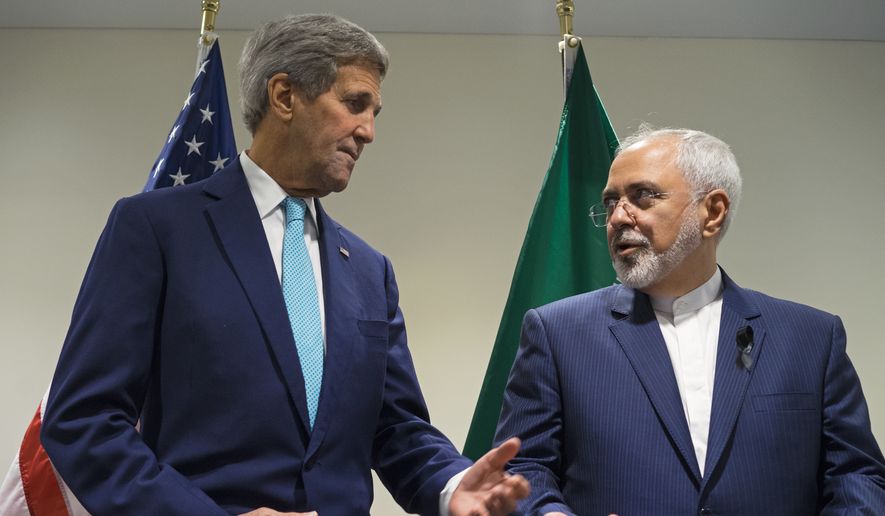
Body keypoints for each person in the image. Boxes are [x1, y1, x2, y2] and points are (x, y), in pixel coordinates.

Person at [40, 13, 527, 515]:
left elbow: (397, 428)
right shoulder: (157, 229)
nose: (369, 132)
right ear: (284, 96)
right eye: (355, 104)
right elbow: (83, 420)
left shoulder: (369, 270)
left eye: (374, 111)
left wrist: (453, 487)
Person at [495, 127, 885, 515]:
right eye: (611, 202)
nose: (617, 217)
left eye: (642, 197)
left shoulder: (811, 338)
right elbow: (521, 470)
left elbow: (856, 476)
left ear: (712, 212)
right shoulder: (556, 333)